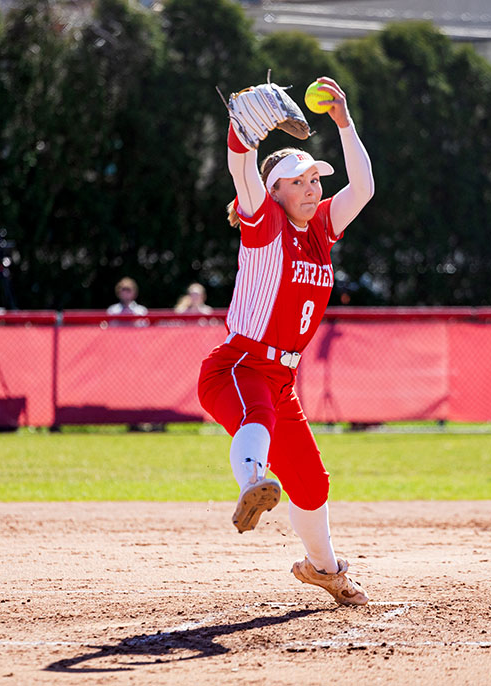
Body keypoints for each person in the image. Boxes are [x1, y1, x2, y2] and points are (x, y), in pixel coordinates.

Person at [197, 76, 375, 605]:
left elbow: (362, 188)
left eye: (315, 180)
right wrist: (240, 132)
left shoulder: (320, 229)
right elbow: (239, 167)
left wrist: (344, 123)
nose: (313, 188)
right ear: (274, 192)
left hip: (282, 378)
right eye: (300, 181)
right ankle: (252, 484)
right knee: (257, 420)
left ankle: (325, 569)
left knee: (313, 483)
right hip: (238, 365)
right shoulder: (265, 221)